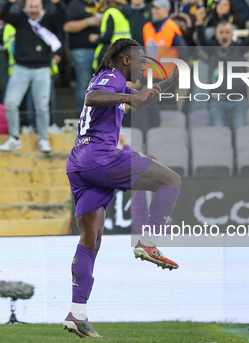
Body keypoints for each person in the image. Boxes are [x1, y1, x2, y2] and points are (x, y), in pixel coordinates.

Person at [63, 39, 181, 338]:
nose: (144, 66)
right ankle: (148, 241)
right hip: (98, 156)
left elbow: (141, 99)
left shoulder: (115, 83)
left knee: (91, 239)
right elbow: (91, 97)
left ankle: (77, 314)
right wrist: (131, 98)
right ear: (126, 60)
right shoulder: (111, 77)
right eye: (141, 61)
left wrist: (167, 83)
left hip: (79, 161)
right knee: (171, 181)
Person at [0, 0, 62, 153]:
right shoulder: (20, 20)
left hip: (42, 70)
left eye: (36, 7)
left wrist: (57, 2)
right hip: (21, 68)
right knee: (10, 103)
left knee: (42, 107)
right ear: (25, 7)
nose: (33, 10)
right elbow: (3, 15)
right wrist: (9, 1)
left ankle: (43, 139)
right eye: (30, 6)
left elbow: (62, 19)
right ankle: (14, 138)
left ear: (42, 7)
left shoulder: (48, 20)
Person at [196, 11, 249, 133]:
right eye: (221, 33)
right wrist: (199, 23)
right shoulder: (212, 50)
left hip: (238, 100)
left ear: (232, 35)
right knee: (220, 136)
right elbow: (202, 40)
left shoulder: (239, 49)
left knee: (241, 134)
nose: (224, 35)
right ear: (216, 36)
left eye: (227, 32)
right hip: (217, 101)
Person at [64, 0, 102, 113]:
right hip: (82, 52)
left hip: (100, 51)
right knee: (84, 85)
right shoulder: (74, 5)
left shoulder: (99, 4)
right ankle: (82, 117)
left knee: (100, 86)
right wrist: (88, 22)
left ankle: (97, 118)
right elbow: (67, 27)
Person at [90, 0, 131, 71]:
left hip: (111, 53)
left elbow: (107, 36)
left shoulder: (111, 12)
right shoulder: (123, 13)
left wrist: (96, 39)